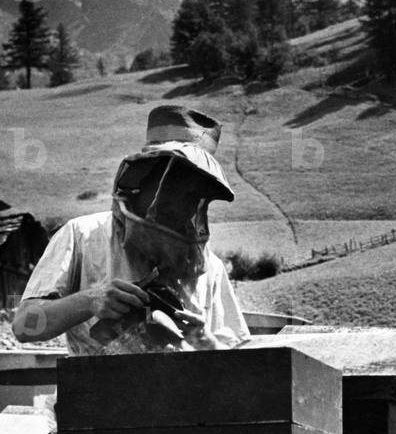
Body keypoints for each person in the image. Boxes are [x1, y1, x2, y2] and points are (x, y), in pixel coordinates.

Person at [13, 105, 251, 355]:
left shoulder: (209, 266)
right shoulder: (81, 235)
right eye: (171, 185)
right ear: (143, 179)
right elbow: (23, 326)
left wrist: (205, 341)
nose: (180, 201)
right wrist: (89, 301)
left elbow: (236, 360)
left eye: (192, 194)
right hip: (97, 380)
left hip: (184, 381)